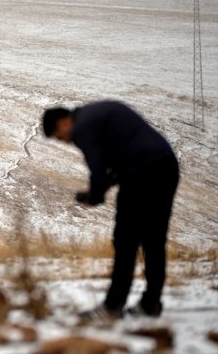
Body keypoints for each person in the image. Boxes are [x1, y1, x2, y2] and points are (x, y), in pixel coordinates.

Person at [42, 100, 179, 321]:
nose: (65, 141)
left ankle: (112, 306)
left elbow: (98, 167)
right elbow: (115, 169)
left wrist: (94, 197)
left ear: (64, 121)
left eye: (60, 136)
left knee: (125, 241)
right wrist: (96, 191)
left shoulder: (82, 127)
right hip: (165, 166)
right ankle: (151, 303)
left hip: (142, 174)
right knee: (153, 241)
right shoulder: (96, 114)